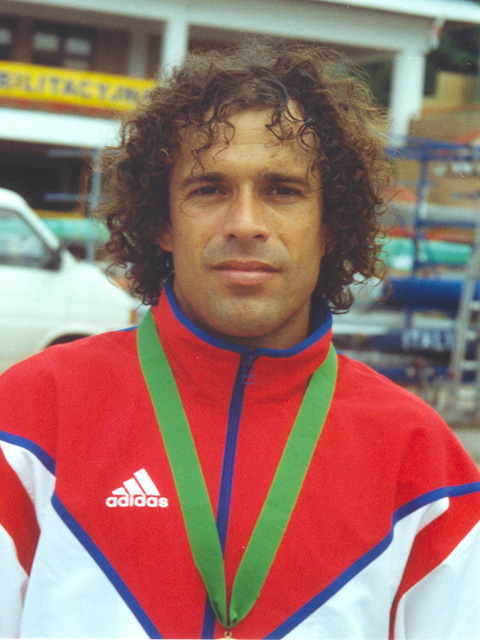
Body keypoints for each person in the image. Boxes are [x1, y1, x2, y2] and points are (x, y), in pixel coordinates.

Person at [1, 41, 480, 640]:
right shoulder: (29, 417)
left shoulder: (423, 463)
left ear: (330, 225)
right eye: (209, 189)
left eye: (283, 190)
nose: (246, 223)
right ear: (163, 222)